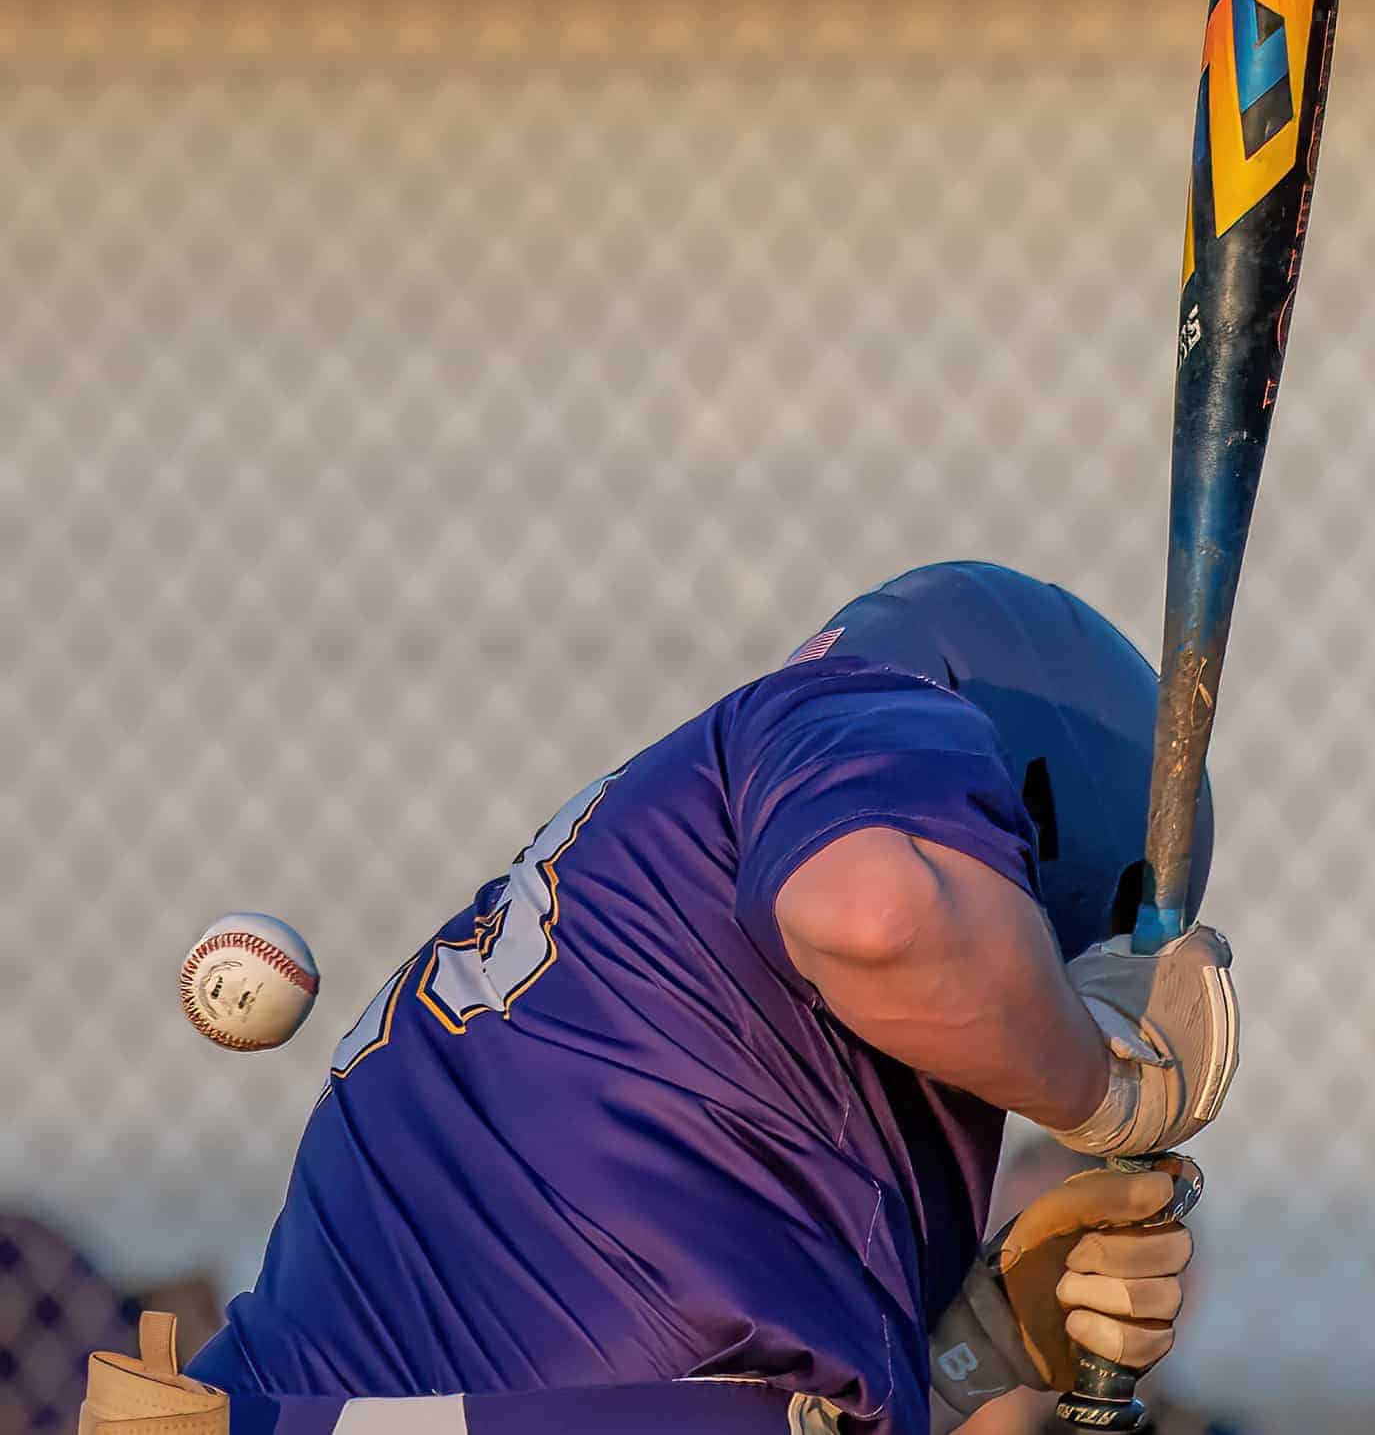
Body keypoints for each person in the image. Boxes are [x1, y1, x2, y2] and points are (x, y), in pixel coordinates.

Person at [80, 562, 1238, 1435]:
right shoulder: (877, 711)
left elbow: (584, 1313)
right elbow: (879, 918)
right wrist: (1108, 1080)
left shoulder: (626, 934)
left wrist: (957, 1352)